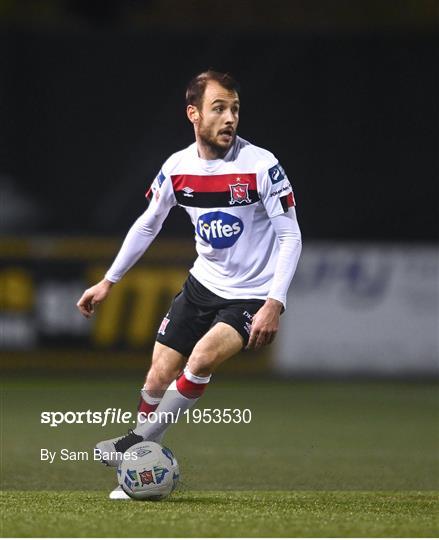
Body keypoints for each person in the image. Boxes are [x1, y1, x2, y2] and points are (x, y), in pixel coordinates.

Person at [77, 70, 302, 498]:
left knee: (199, 360)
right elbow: (148, 225)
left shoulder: (261, 166)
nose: (229, 117)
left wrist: (275, 301)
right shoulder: (177, 168)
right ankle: (136, 477)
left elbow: (291, 234)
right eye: (219, 108)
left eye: (234, 108)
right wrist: (109, 281)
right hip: (202, 285)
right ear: (193, 114)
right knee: (158, 375)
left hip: (251, 293)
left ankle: (132, 444)